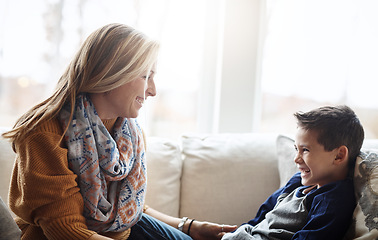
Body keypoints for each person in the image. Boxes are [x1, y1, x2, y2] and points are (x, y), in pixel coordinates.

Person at [2, 23, 236, 240]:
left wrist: (188, 226)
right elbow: (66, 229)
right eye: (146, 76)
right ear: (112, 73)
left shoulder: (128, 132)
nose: (152, 91)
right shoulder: (46, 133)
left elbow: (128, 209)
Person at [222, 105, 364, 240]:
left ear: (339, 156)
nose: (296, 159)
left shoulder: (333, 201)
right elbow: (260, 218)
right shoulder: (296, 182)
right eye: (296, 149)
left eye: (305, 150)